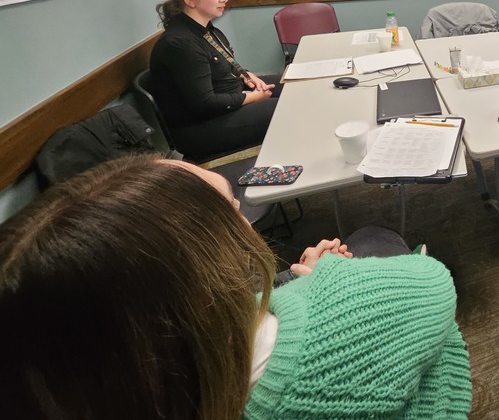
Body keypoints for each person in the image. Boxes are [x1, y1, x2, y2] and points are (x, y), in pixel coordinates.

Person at [0, 155, 473, 420]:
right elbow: (435, 282)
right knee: (378, 239)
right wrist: (325, 279)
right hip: (403, 362)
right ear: (206, 261)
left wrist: (295, 276)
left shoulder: (113, 373)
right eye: (232, 206)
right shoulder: (329, 323)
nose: (245, 217)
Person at [150, 0, 279, 160]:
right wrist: (254, 97)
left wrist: (246, 75)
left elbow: (225, 64)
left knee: (293, 87)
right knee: (287, 108)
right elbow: (205, 104)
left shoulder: (206, 30)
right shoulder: (179, 44)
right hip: (203, 128)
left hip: (229, 99)